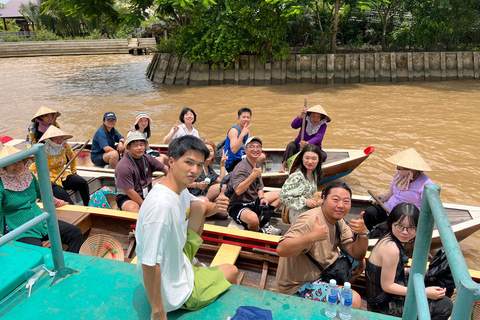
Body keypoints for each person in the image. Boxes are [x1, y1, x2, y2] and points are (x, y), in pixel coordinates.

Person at [135, 135, 238, 320]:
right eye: (189, 162)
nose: (195, 170)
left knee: (198, 205)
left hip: (178, 265)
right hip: (175, 292)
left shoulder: (179, 190)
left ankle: (191, 263)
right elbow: (149, 263)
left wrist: (217, 206)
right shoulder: (161, 206)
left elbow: (202, 208)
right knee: (232, 271)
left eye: (199, 165)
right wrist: (158, 311)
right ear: (172, 162)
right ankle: (190, 283)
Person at [276, 182, 369, 309]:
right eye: (335, 200)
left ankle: (337, 291)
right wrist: (311, 237)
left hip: (323, 272)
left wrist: (363, 234)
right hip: (297, 286)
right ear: (324, 199)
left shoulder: (338, 220)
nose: (341, 205)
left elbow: (356, 253)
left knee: (360, 262)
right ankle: (334, 300)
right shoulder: (310, 221)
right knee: (353, 300)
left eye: (346, 201)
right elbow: (281, 249)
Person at [365, 202, 453, 319]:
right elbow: (387, 286)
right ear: (391, 223)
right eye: (399, 226)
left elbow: (391, 271)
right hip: (384, 305)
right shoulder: (391, 249)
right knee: (445, 305)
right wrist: (424, 292)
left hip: (388, 294)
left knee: (442, 282)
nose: (405, 232)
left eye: (411, 227)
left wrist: (416, 272)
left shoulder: (389, 236)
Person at [0, 145, 83, 253]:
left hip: (42, 222)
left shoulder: (28, 176)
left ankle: (72, 263)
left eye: (20, 161)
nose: (18, 165)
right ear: (4, 166)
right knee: (38, 252)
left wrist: (57, 202)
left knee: (75, 233)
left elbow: (43, 193)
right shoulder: (1, 185)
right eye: (13, 162)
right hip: (21, 230)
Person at [363, 148, 434, 233]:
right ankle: (365, 233)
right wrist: (383, 197)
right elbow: (392, 190)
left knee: (381, 229)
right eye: (398, 168)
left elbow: (427, 210)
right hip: (389, 209)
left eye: (401, 169)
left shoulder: (426, 185)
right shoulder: (399, 175)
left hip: (405, 217)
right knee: (369, 212)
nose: (398, 171)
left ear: (412, 169)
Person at [228, 136, 282, 235]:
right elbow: (238, 191)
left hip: (254, 201)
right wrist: (252, 176)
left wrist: (262, 198)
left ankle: (263, 222)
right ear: (246, 150)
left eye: (258, 147)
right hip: (239, 204)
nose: (255, 149)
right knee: (253, 220)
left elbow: (259, 187)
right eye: (252, 147)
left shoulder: (256, 165)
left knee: (282, 195)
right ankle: (261, 231)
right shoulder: (241, 167)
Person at [30, 126, 90, 206]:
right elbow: (36, 169)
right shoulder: (42, 150)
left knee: (82, 182)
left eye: (61, 138)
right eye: (56, 138)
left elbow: (72, 156)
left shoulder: (64, 146)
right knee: (62, 193)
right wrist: (45, 181)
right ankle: (74, 213)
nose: (59, 141)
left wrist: (74, 171)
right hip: (49, 178)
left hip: (62, 174)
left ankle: (87, 205)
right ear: (49, 139)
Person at [115, 132, 169, 213]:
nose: (140, 148)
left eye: (142, 145)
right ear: (129, 147)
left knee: (166, 200)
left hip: (147, 192)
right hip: (127, 197)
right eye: (136, 145)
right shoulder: (123, 166)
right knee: (133, 209)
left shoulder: (148, 158)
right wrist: (145, 205)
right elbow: (129, 191)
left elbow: (165, 169)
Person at [279, 105, 330, 173]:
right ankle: (284, 167)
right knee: (290, 145)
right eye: (314, 116)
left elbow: (318, 138)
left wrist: (307, 143)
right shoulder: (305, 120)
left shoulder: (323, 125)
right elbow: (294, 125)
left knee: (323, 155)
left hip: (313, 147)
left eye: (318, 117)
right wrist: (301, 114)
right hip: (299, 144)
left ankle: (312, 168)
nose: (316, 119)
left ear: (321, 118)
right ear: (310, 115)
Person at [279, 144, 323, 223]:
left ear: (318, 160)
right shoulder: (297, 176)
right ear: (302, 158)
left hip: (311, 211)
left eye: (314, 159)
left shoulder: (314, 173)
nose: (310, 162)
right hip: (299, 215)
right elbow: (283, 196)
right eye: (307, 158)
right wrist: (305, 202)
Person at [187, 141, 228, 218]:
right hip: (192, 196)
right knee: (204, 200)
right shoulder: (195, 166)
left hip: (204, 195)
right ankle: (204, 211)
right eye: (205, 150)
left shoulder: (209, 168)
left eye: (211, 151)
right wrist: (197, 185)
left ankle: (209, 209)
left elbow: (221, 179)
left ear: (214, 154)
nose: (208, 153)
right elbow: (183, 182)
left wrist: (222, 164)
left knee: (220, 186)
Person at [224, 107, 266, 173]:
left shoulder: (247, 131)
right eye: (243, 117)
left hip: (242, 157)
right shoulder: (234, 131)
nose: (246, 119)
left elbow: (248, 147)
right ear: (238, 118)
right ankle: (250, 175)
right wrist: (242, 134)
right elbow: (234, 150)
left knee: (262, 156)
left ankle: (252, 174)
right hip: (232, 162)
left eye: (248, 117)